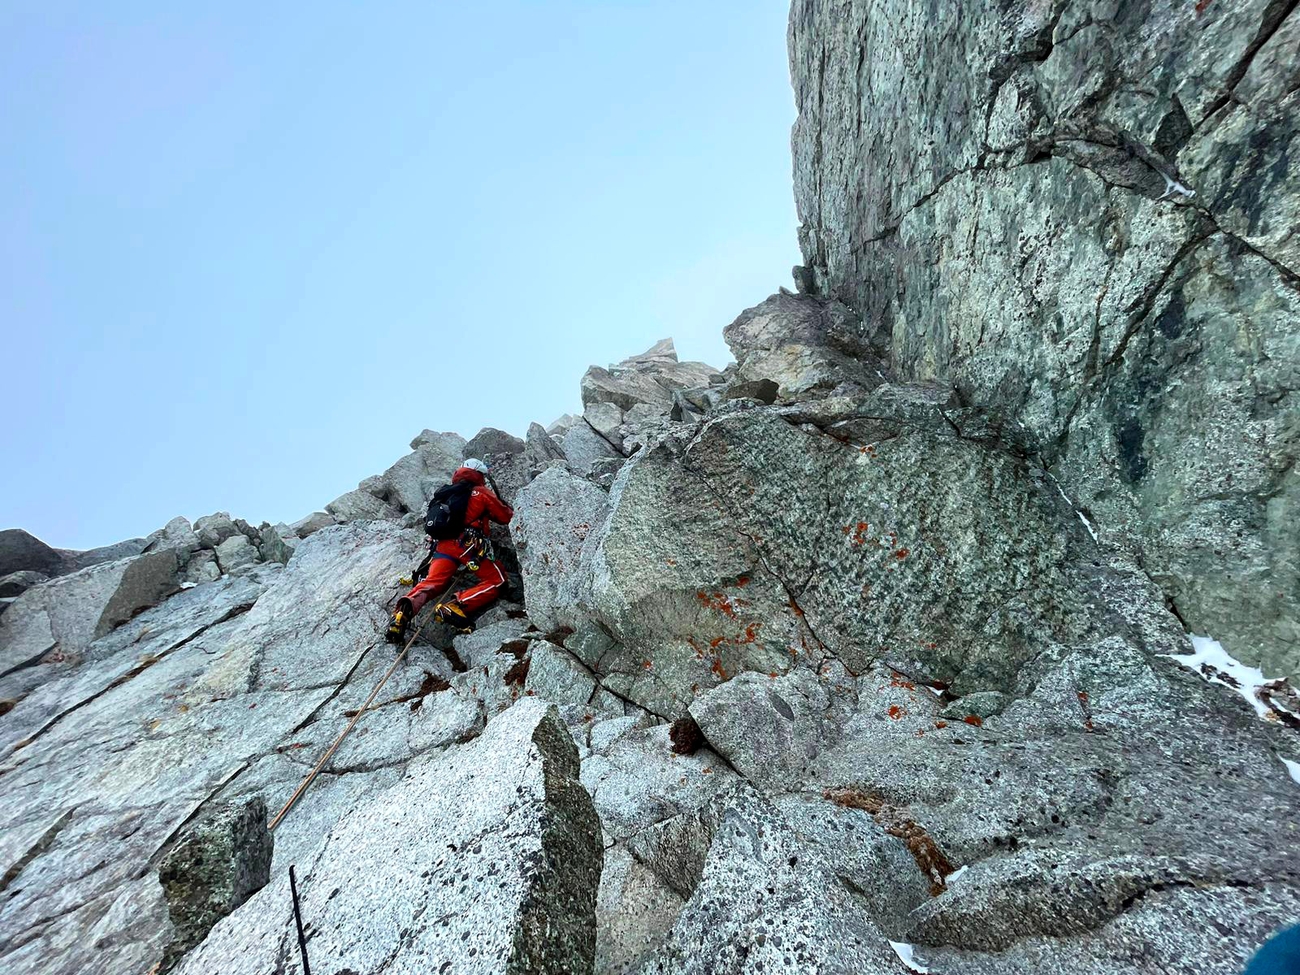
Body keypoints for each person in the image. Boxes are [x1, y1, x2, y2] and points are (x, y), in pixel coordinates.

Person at [385, 458, 513, 642]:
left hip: (442, 547)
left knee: (433, 582)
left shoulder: (445, 494)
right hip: (468, 546)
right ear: (479, 474)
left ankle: (401, 614)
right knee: (497, 579)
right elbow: (504, 516)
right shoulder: (480, 492)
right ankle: (457, 605)